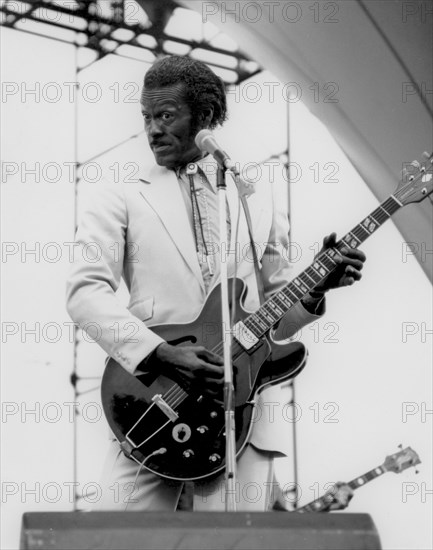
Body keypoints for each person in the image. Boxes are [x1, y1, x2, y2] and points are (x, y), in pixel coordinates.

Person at [66, 55, 366, 511]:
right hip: (152, 399)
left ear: (204, 116)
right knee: (116, 537)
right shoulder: (120, 191)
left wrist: (316, 289)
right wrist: (164, 355)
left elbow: (277, 319)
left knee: (236, 545)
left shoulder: (258, 194)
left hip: (239, 411)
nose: (152, 130)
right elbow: (85, 293)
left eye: (166, 116)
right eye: (146, 117)